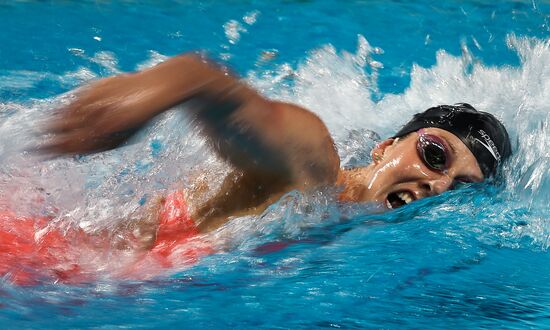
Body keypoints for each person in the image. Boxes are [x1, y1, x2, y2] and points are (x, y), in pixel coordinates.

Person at [1, 53, 512, 284]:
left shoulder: (346, 229)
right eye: (435, 154)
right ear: (384, 146)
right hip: (30, 259)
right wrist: (146, 99)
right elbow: (203, 80)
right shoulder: (312, 165)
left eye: (460, 188)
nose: (438, 184)